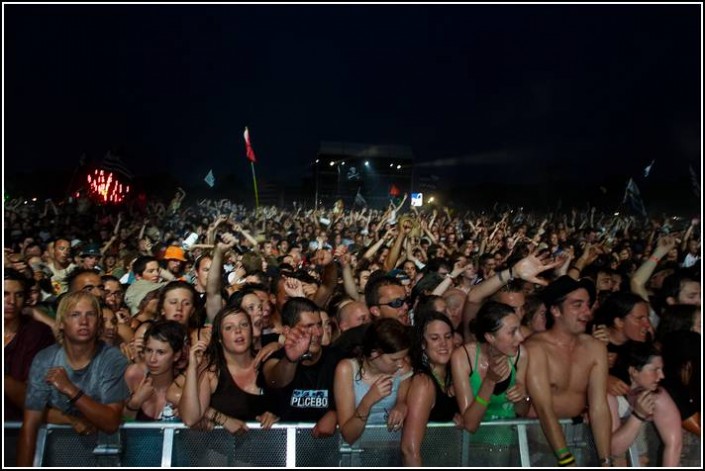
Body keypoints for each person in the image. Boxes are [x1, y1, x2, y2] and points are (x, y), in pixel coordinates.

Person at [17, 291, 130, 466]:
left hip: (105, 456)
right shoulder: (45, 359)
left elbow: (111, 422)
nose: (84, 322)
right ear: (61, 323)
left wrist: (70, 389)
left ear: (99, 322)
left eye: (90, 314)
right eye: (75, 315)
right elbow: (30, 424)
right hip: (58, 457)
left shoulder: (112, 359)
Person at [524, 275, 612, 467]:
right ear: (555, 310)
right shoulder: (535, 348)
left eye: (588, 305)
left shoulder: (596, 348)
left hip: (579, 439)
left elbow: (599, 407)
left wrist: (605, 460)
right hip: (538, 444)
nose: (586, 312)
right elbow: (543, 408)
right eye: (577, 305)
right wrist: (565, 459)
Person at [450, 301, 530, 466]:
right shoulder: (463, 357)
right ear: (490, 337)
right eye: (512, 332)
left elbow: (521, 412)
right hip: (473, 448)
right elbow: (470, 424)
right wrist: (489, 381)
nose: (521, 337)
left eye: (519, 329)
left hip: (509, 447)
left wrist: (524, 395)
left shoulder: (520, 355)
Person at [179, 307, 279, 432]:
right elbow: (190, 418)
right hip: (220, 450)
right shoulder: (212, 371)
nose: (238, 331)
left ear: (251, 331)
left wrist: (276, 414)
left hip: (265, 448)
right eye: (229, 327)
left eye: (244, 325)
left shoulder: (269, 360)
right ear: (219, 338)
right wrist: (192, 368)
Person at [607, 341, 682, 466]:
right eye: (655, 370)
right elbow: (614, 448)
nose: (662, 376)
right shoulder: (611, 397)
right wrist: (638, 416)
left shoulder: (658, 396)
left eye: (662, 369)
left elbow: (674, 445)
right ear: (634, 371)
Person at [401, 311, 461, 466]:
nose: (443, 343)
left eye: (448, 337)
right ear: (422, 344)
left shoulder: (454, 375)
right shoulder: (423, 383)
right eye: (434, 338)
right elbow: (409, 449)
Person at [4, 269, 56, 421]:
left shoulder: (37, 334)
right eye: (5, 294)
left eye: (18, 295)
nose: (11, 301)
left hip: (19, 424)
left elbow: (34, 395)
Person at [123, 320, 185, 421]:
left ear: (176, 355)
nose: (152, 359)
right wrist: (134, 404)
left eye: (160, 352)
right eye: (149, 350)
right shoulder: (133, 376)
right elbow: (119, 429)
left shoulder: (183, 389)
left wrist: (187, 413)